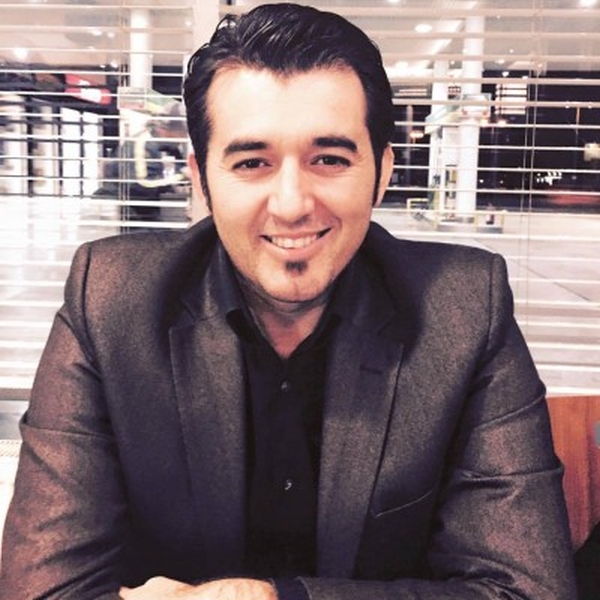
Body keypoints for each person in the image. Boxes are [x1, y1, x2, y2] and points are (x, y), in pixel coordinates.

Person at [1, 3, 577, 599]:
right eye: (252, 162)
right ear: (201, 180)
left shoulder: (465, 308)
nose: (293, 203)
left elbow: (528, 591)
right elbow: (42, 587)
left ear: (381, 172)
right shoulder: (110, 299)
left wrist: (275, 597)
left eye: (330, 159)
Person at [94, 101, 190, 222]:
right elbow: (140, 184)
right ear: (166, 128)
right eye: (182, 132)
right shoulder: (141, 144)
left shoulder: (170, 146)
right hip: (125, 212)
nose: (184, 136)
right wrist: (182, 176)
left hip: (145, 210)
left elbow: (179, 171)